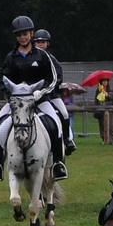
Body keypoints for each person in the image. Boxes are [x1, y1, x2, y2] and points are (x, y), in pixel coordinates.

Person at [0, 16, 63, 181]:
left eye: (25, 34)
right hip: (17, 103)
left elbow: (53, 78)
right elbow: (3, 80)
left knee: (55, 125)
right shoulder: (11, 57)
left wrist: (41, 92)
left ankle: (58, 163)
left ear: (31, 33)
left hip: (40, 100)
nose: (22, 37)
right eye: (19, 35)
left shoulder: (42, 56)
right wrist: (11, 97)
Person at [32, 28, 77, 162]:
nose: (40, 44)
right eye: (38, 42)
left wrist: (44, 90)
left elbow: (58, 78)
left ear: (48, 43)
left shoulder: (53, 60)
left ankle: (67, 140)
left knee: (64, 113)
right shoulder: (29, 59)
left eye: (43, 42)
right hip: (30, 95)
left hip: (50, 95)